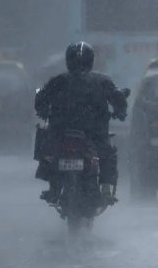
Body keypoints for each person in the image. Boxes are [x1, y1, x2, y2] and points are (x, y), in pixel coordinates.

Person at [34, 42, 128, 204]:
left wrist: (44, 111)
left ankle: (54, 187)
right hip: (93, 132)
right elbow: (118, 98)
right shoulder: (102, 81)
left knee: (48, 147)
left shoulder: (58, 81)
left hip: (62, 131)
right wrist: (119, 112)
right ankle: (105, 188)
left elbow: (41, 99)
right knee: (108, 152)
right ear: (91, 60)